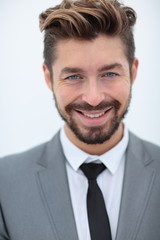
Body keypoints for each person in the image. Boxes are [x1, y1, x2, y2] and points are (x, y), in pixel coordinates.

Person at [0, 0, 160, 239]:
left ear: (133, 72)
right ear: (48, 77)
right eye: (74, 76)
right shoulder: (4, 183)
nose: (93, 98)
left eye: (109, 74)